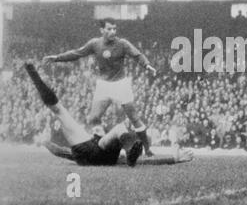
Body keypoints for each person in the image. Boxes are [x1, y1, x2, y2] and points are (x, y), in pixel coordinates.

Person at [25, 63, 193, 166]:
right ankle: (129, 149)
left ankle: (129, 149)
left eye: (98, 129)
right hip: (99, 156)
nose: (97, 129)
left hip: (91, 155)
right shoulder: (99, 147)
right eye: (97, 129)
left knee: (59, 110)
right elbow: (60, 151)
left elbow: (60, 151)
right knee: (120, 128)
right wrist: (173, 159)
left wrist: (46, 143)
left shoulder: (88, 145)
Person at [43, 18, 155, 157]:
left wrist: (147, 65)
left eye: (114, 28)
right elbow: (77, 53)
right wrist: (57, 57)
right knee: (94, 118)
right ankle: (101, 147)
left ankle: (147, 149)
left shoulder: (122, 44)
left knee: (134, 118)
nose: (113, 31)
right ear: (102, 30)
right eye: (109, 29)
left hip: (121, 84)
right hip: (104, 85)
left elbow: (137, 54)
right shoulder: (95, 44)